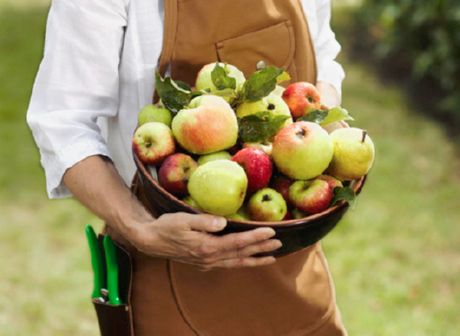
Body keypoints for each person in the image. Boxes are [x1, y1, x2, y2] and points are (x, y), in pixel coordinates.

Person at [27, 0, 347, 335]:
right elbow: (63, 124)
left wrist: (318, 134)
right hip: (167, 263)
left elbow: (323, 57)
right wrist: (139, 228)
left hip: (296, 274)